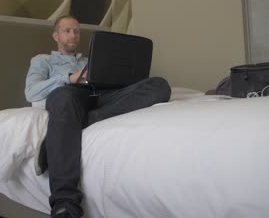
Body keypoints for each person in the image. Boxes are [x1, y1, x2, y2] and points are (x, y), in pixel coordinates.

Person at [25, 16, 171, 218]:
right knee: (63, 96)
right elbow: (31, 91)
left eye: (76, 31)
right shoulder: (43, 60)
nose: (73, 35)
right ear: (55, 35)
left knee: (159, 85)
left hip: (103, 95)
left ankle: (81, 122)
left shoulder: (90, 61)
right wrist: (69, 78)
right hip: (71, 95)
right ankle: (65, 201)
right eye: (67, 30)